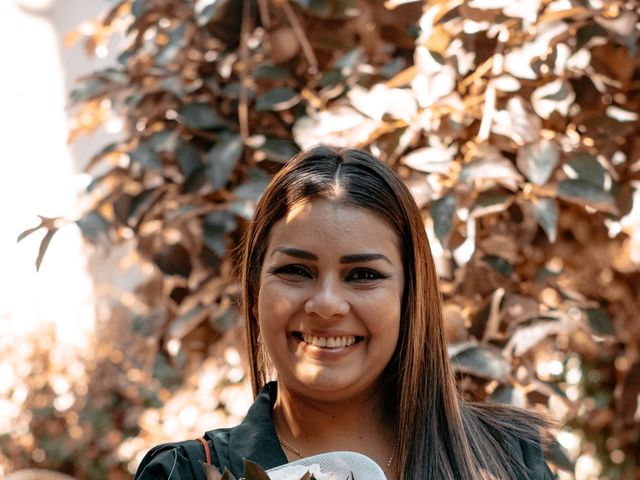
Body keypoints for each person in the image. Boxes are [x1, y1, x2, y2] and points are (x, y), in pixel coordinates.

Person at [135, 146, 554, 479]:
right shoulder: (187, 472)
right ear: (254, 291)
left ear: (412, 297)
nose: (327, 304)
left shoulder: (506, 460)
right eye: (296, 271)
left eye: (363, 275)